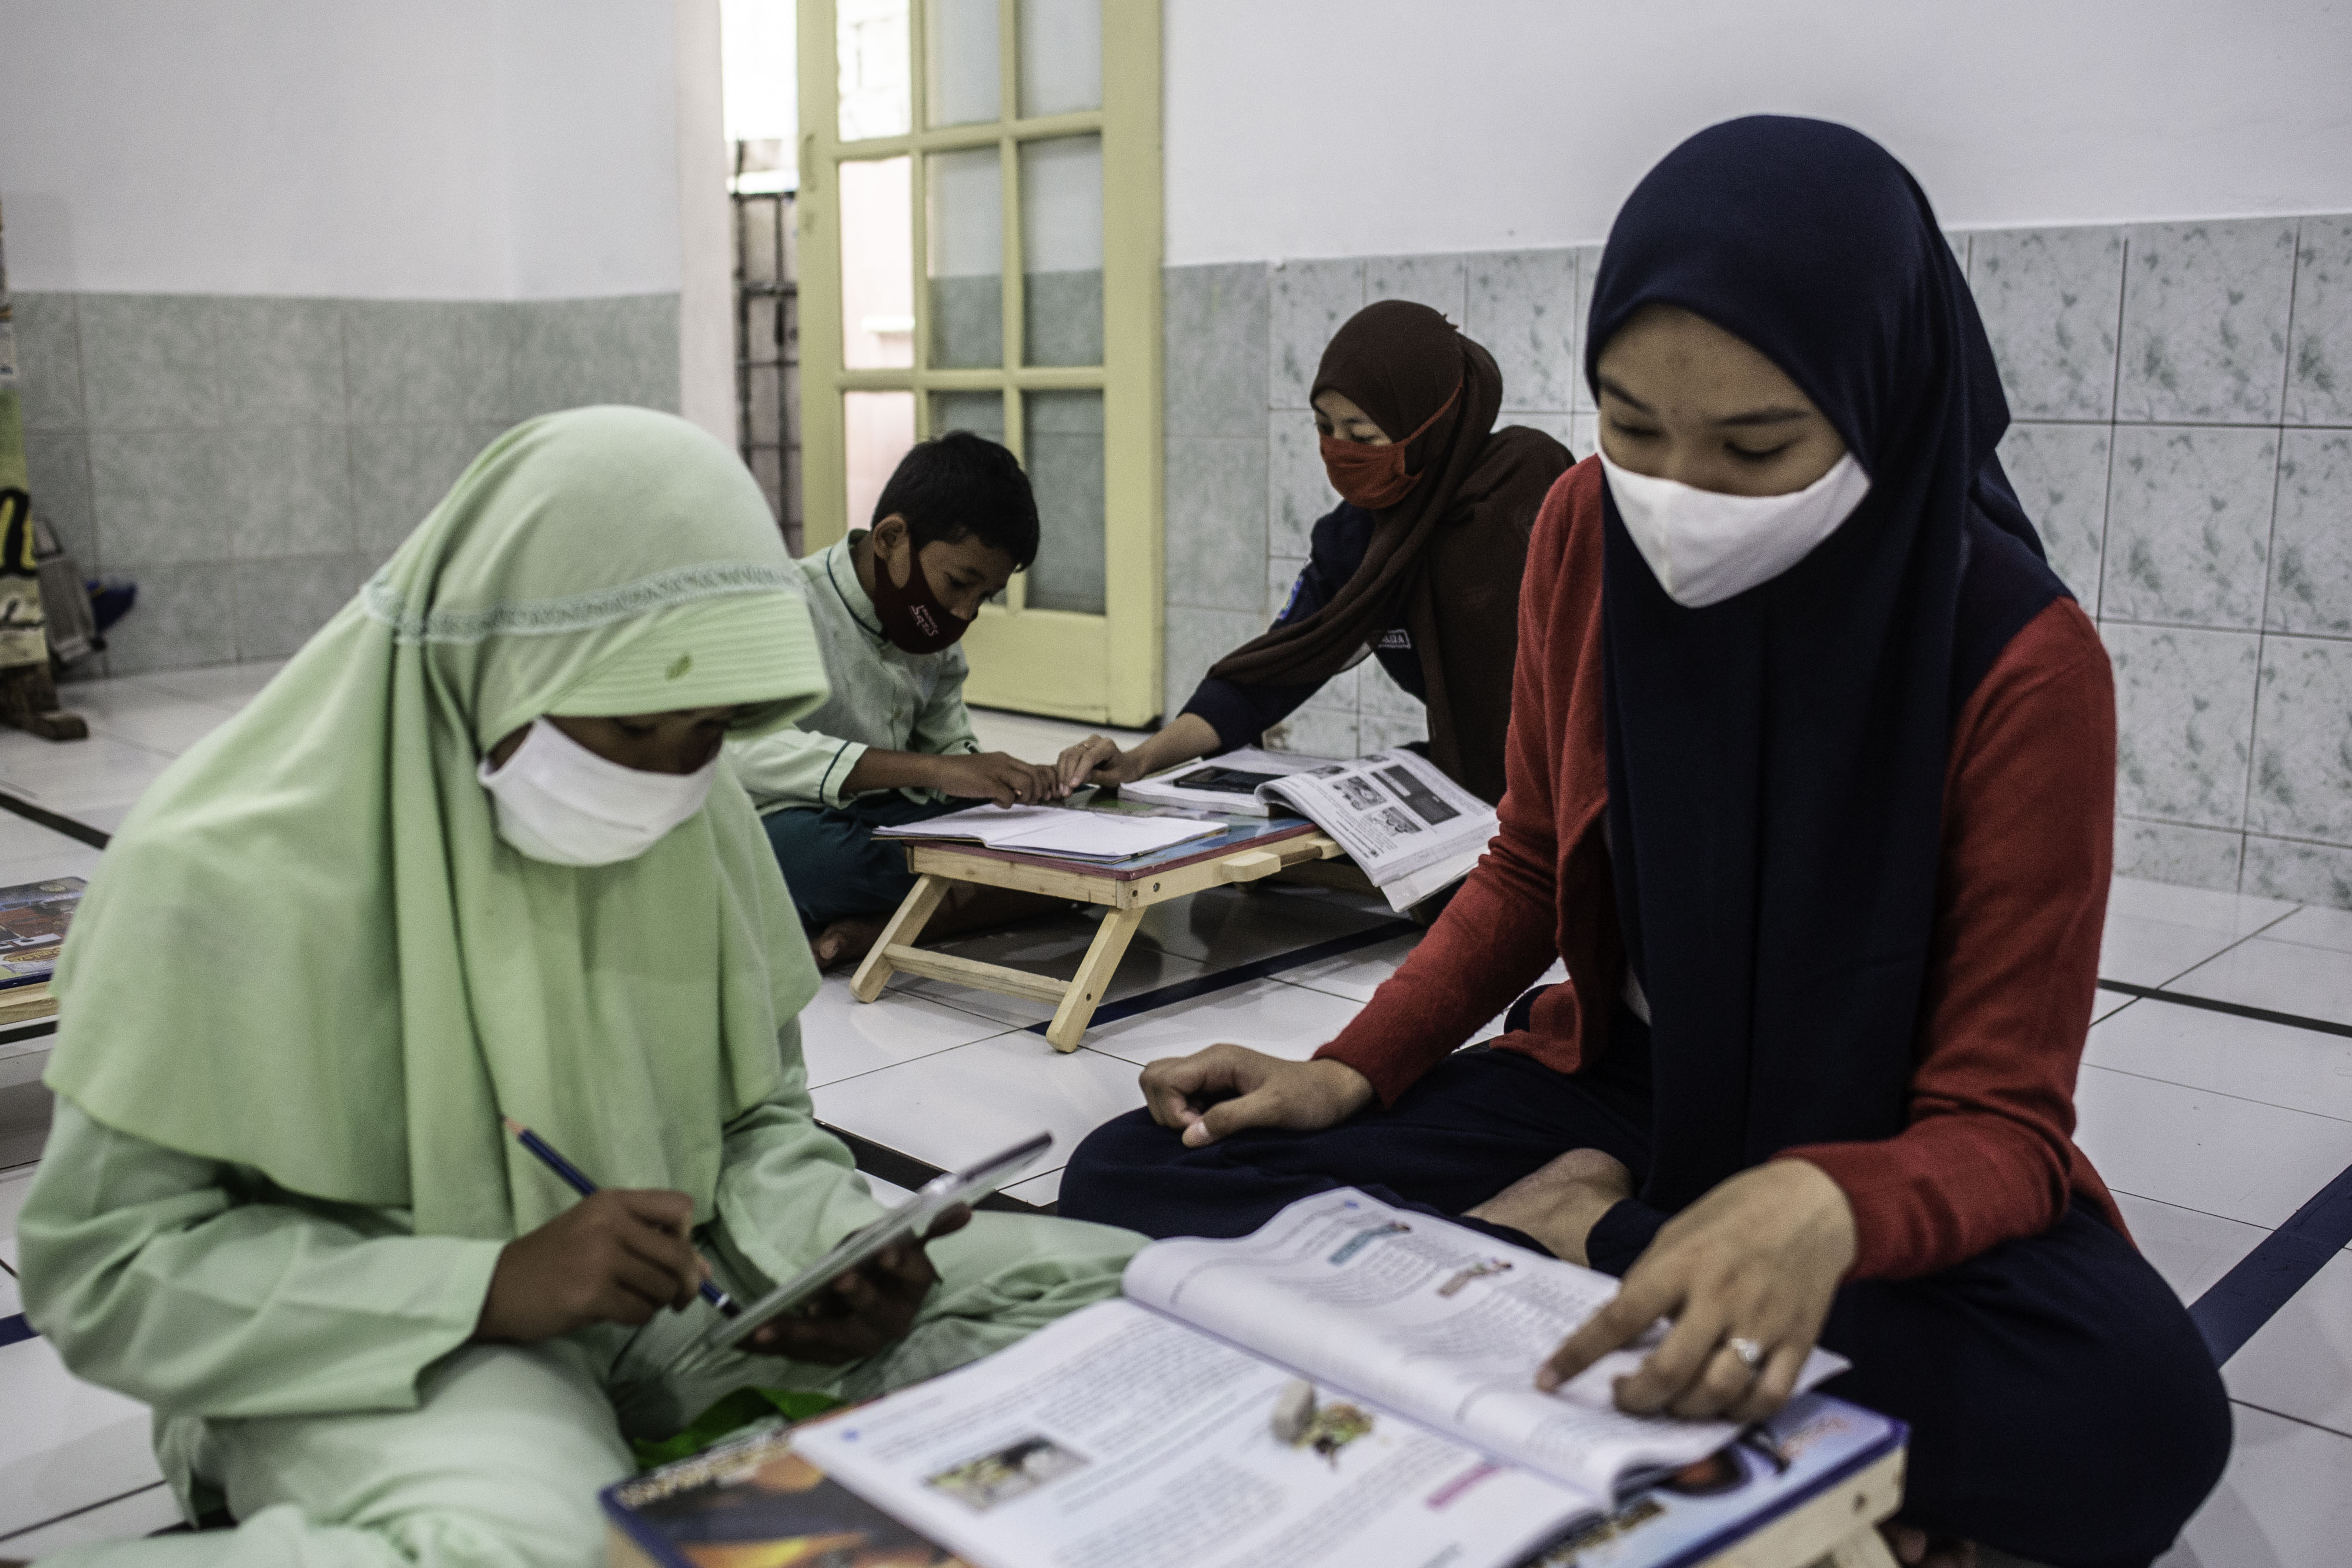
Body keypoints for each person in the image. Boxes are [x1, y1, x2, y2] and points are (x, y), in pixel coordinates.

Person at [1057, 119, 2230, 1568]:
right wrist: (1345, 1069)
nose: (1676, 494)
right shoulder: (1581, 531)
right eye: (1630, 427)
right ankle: (1661, 1300)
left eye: (1755, 446)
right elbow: (1531, 865)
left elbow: (1998, 1123)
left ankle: (1579, 1248)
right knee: (1139, 1169)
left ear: (1884, 404)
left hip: (1867, 1135)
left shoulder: (2015, 660)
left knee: (2132, 1423)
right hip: (1619, 1087)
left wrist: (1812, 1209)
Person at [16, 408, 1142, 1567]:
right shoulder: (225, 867)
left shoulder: (698, 816)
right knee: (540, 1547)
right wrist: (484, 1285)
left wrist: (825, 1250)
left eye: (709, 728)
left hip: (682, 1295)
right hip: (388, 1342)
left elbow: (757, 1117)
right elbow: (110, 1271)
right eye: (633, 722)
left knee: (1108, 1290)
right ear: (494, 663)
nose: (667, 775)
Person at [1056, 301, 1570, 807]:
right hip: (1469, 782)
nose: (1341, 450)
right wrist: (1138, 760)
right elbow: (1276, 669)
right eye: (1325, 429)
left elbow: (1588, 662)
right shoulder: (1357, 538)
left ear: (1429, 425)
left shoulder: (1526, 487)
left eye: (1362, 435)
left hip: (1573, 774)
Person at [731, 431, 1073, 970]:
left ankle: (885, 927)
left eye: (983, 597)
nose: (965, 613)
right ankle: (993, 896)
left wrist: (1004, 780)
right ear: (892, 539)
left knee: (1049, 825)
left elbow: (948, 745)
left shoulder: (934, 636)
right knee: (815, 863)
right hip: (790, 819)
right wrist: (936, 770)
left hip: (888, 817)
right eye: (958, 582)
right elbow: (745, 751)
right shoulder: (784, 601)